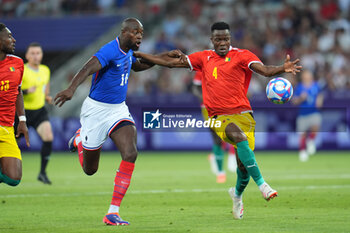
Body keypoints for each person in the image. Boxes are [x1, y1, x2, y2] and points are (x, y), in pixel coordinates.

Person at [134, 22, 302, 219]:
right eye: (218, 39)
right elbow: (172, 63)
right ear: (212, 40)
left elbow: (264, 70)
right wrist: (140, 55)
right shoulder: (203, 58)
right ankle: (263, 185)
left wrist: (282, 68)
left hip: (244, 115)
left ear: (230, 39)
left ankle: (237, 195)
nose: (223, 42)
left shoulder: (242, 55)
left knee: (243, 168)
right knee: (238, 138)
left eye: (226, 39)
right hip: (217, 116)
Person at [54, 18, 176, 226]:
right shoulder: (109, 50)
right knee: (90, 170)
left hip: (118, 110)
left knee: (131, 153)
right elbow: (87, 68)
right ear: (125, 32)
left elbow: (136, 66)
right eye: (136, 32)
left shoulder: (128, 51)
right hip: (95, 112)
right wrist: (71, 89)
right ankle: (79, 140)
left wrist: (164, 58)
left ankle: (112, 212)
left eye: (142, 33)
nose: (140, 36)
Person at [14, 42, 54, 184]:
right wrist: (25, 91)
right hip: (21, 113)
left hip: (39, 111)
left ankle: (42, 173)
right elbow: (12, 90)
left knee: (48, 136)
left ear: (42, 55)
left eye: (38, 53)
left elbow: (45, 87)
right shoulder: (21, 70)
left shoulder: (45, 70)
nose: (36, 56)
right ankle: (5, 169)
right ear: (27, 55)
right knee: (12, 144)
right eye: (33, 53)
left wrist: (47, 97)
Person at [192, 70, 237, 183]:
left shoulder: (227, 65)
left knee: (233, 131)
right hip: (208, 109)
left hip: (226, 105)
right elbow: (195, 88)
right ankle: (221, 172)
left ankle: (227, 156)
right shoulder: (203, 66)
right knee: (217, 138)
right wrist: (205, 99)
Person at [0, 23, 30, 187]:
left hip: (6, 128)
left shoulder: (17, 63)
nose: (14, 39)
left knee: (13, 178)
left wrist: (23, 120)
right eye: (9, 36)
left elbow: (17, 91)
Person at [292, 70, 323, 162]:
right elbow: (294, 101)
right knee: (302, 134)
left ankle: (311, 141)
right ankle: (302, 151)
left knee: (316, 126)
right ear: (303, 76)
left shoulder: (316, 85)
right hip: (303, 114)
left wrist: (319, 101)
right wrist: (301, 98)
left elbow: (320, 95)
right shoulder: (299, 87)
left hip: (314, 112)